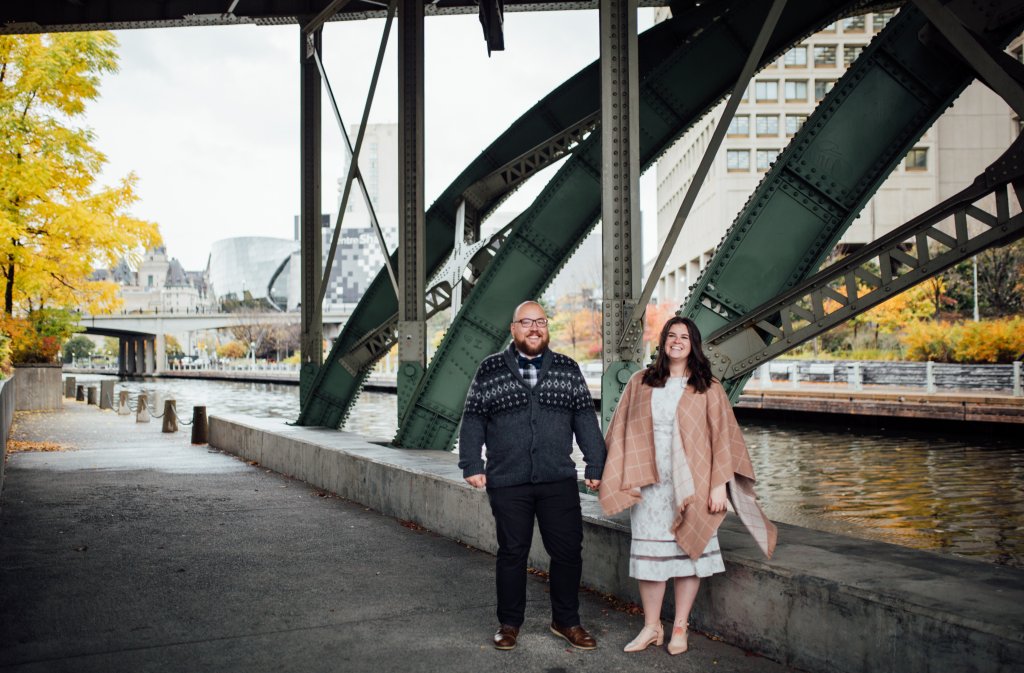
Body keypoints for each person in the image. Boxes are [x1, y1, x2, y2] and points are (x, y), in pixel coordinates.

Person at [598, 316, 776, 655]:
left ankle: (680, 626)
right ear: (663, 342)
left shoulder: (708, 387)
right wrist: (605, 471)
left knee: (688, 553)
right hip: (650, 484)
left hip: (694, 483)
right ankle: (652, 627)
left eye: (684, 337)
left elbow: (722, 439)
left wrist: (718, 487)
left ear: (693, 345)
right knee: (651, 558)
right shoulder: (641, 381)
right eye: (671, 336)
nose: (676, 341)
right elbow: (619, 430)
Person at [459, 300, 606, 651]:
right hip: (508, 480)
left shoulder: (568, 369)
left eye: (540, 321)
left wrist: (596, 463)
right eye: (526, 322)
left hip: (557, 478)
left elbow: (585, 418)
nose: (534, 328)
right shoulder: (491, 369)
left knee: (568, 551)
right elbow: (474, 418)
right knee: (513, 552)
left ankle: (566, 621)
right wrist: (471, 463)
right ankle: (509, 624)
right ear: (513, 329)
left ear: (547, 327)